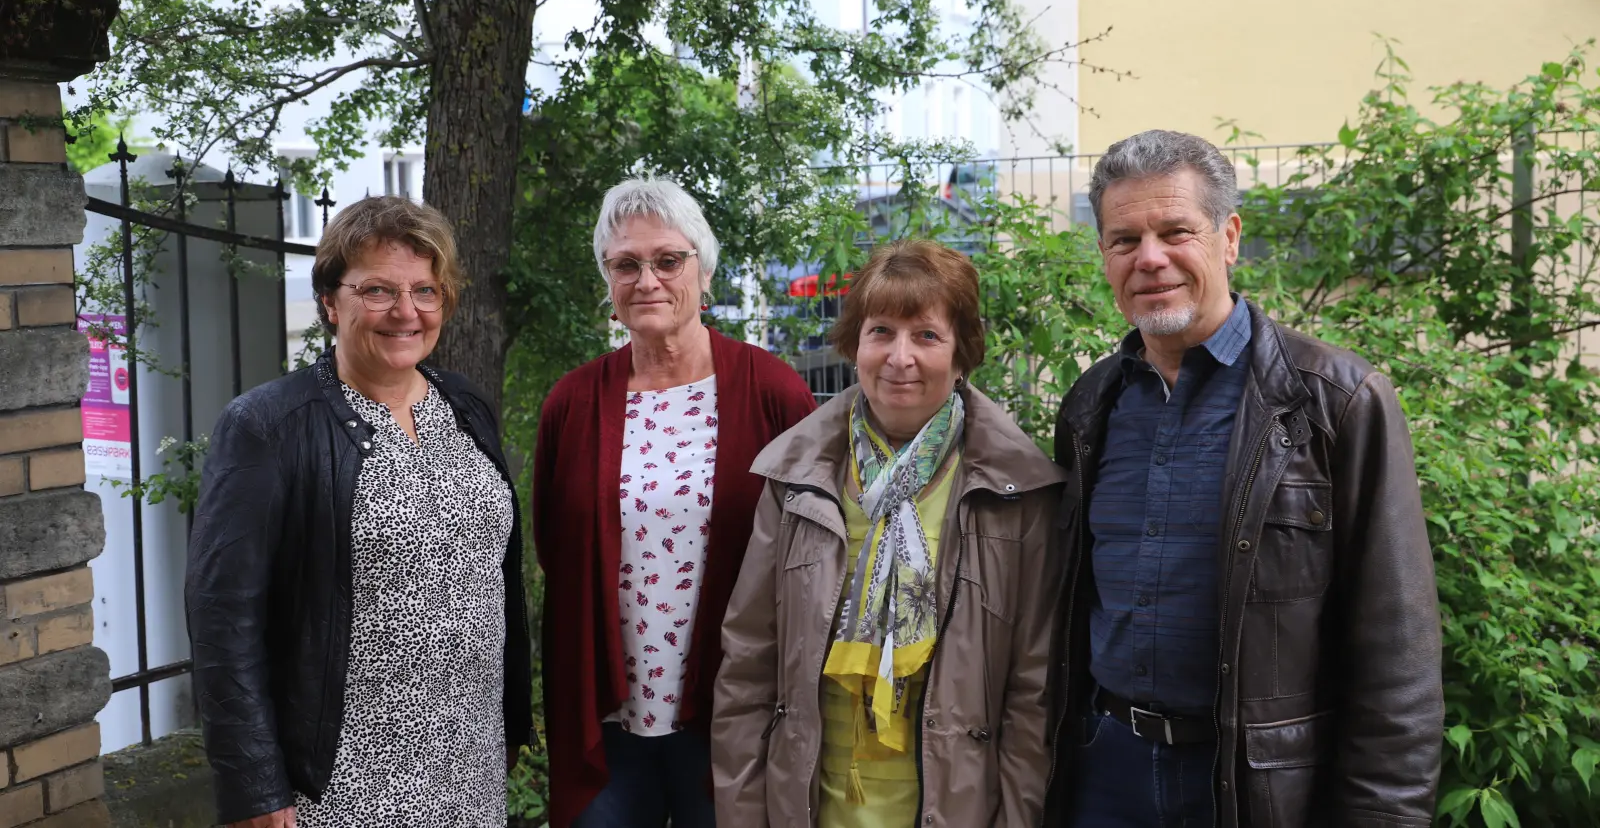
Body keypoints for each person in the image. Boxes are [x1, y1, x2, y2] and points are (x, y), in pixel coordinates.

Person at [1042, 129, 1444, 827]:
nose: (1151, 259)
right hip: (1105, 772)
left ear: (1229, 237)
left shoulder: (1335, 401)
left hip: (1260, 790)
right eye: (1124, 239)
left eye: (1176, 231)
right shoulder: (1091, 406)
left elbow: (1397, 660)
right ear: (1103, 254)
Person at [186, 196, 534, 828]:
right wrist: (254, 784)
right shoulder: (268, 425)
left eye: (424, 290)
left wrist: (513, 718)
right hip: (340, 777)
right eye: (377, 290)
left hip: (470, 759)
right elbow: (223, 615)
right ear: (330, 302)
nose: (405, 312)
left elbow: (500, 578)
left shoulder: (465, 406)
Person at [714, 239, 1065, 827]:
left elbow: (1035, 696)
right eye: (881, 332)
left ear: (961, 355)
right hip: (811, 806)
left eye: (926, 335)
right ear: (855, 344)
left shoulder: (1017, 494)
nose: (900, 357)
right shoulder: (796, 481)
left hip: (957, 810)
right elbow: (748, 666)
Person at [533, 178, 817, 827]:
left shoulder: (770, 390)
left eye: (668, 260)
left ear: (703, 269)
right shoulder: (572, 403)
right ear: (607, 278)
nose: (647, 280)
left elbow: (814, 551)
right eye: (626, 264)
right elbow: (557, 544)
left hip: (732, 720)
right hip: (607, 727)